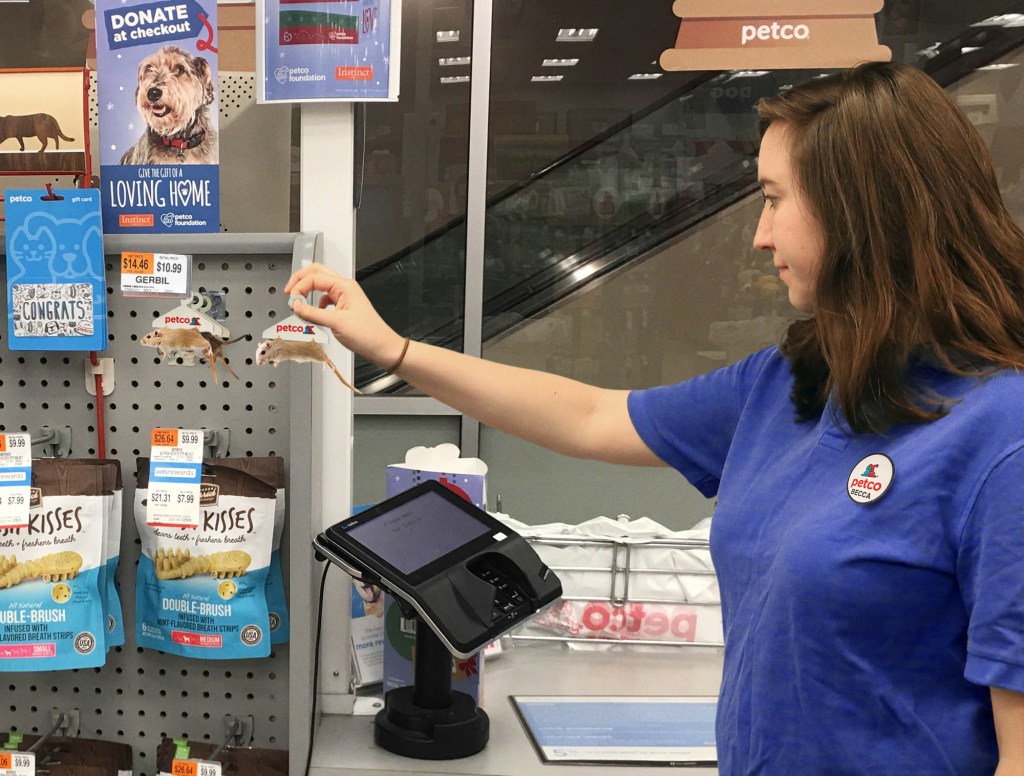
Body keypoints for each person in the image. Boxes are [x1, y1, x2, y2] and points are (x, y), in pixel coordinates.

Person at [285, 61, 1024, 775]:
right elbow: (590, 416)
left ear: (863, 212)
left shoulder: (1001, 434)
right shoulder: (796, 381)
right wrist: (396, 349)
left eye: (773, 198)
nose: (760, 236)